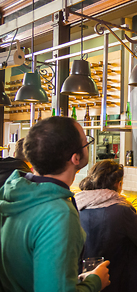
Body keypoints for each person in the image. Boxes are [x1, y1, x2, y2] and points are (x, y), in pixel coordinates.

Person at [0, 116, 110, 292]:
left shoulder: (15, 192)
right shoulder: (59, 215)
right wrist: (95, 281)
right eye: (85, 142)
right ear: (75, 158)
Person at [76, 160, 137, 292]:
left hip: (85, 283)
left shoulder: (77, 205)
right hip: (118, 283)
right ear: (118, 184)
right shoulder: (122, 210)